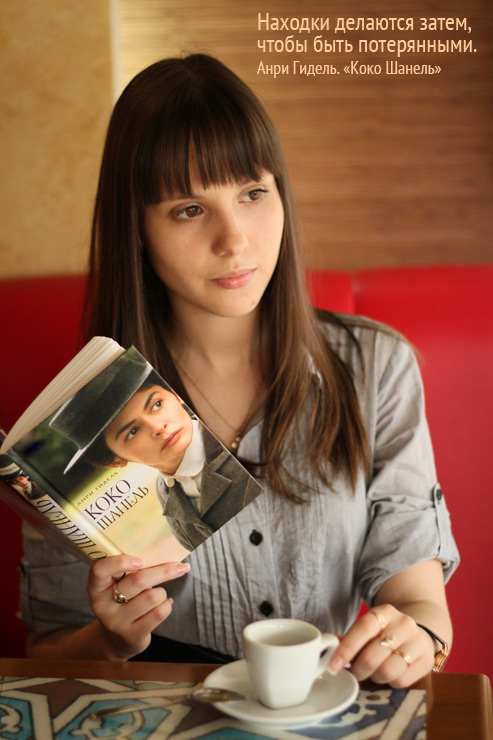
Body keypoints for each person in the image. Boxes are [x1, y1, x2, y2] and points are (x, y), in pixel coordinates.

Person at [20, 53, 459, 686]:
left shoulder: (374, 367)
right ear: (136, 228)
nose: (235, 240)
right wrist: (109, 640)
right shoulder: (80, 419)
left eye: (253, 193)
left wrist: (415, 636)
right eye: (189, 209)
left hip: (321, 707)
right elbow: (47, 655)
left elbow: (419, 601)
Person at [48, 352, 260, 551]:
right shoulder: (166, 494)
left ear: (176, 394)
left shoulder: (242, 445)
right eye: (132, 431)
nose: (158, 427)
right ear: (113, 461)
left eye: (157, 404)